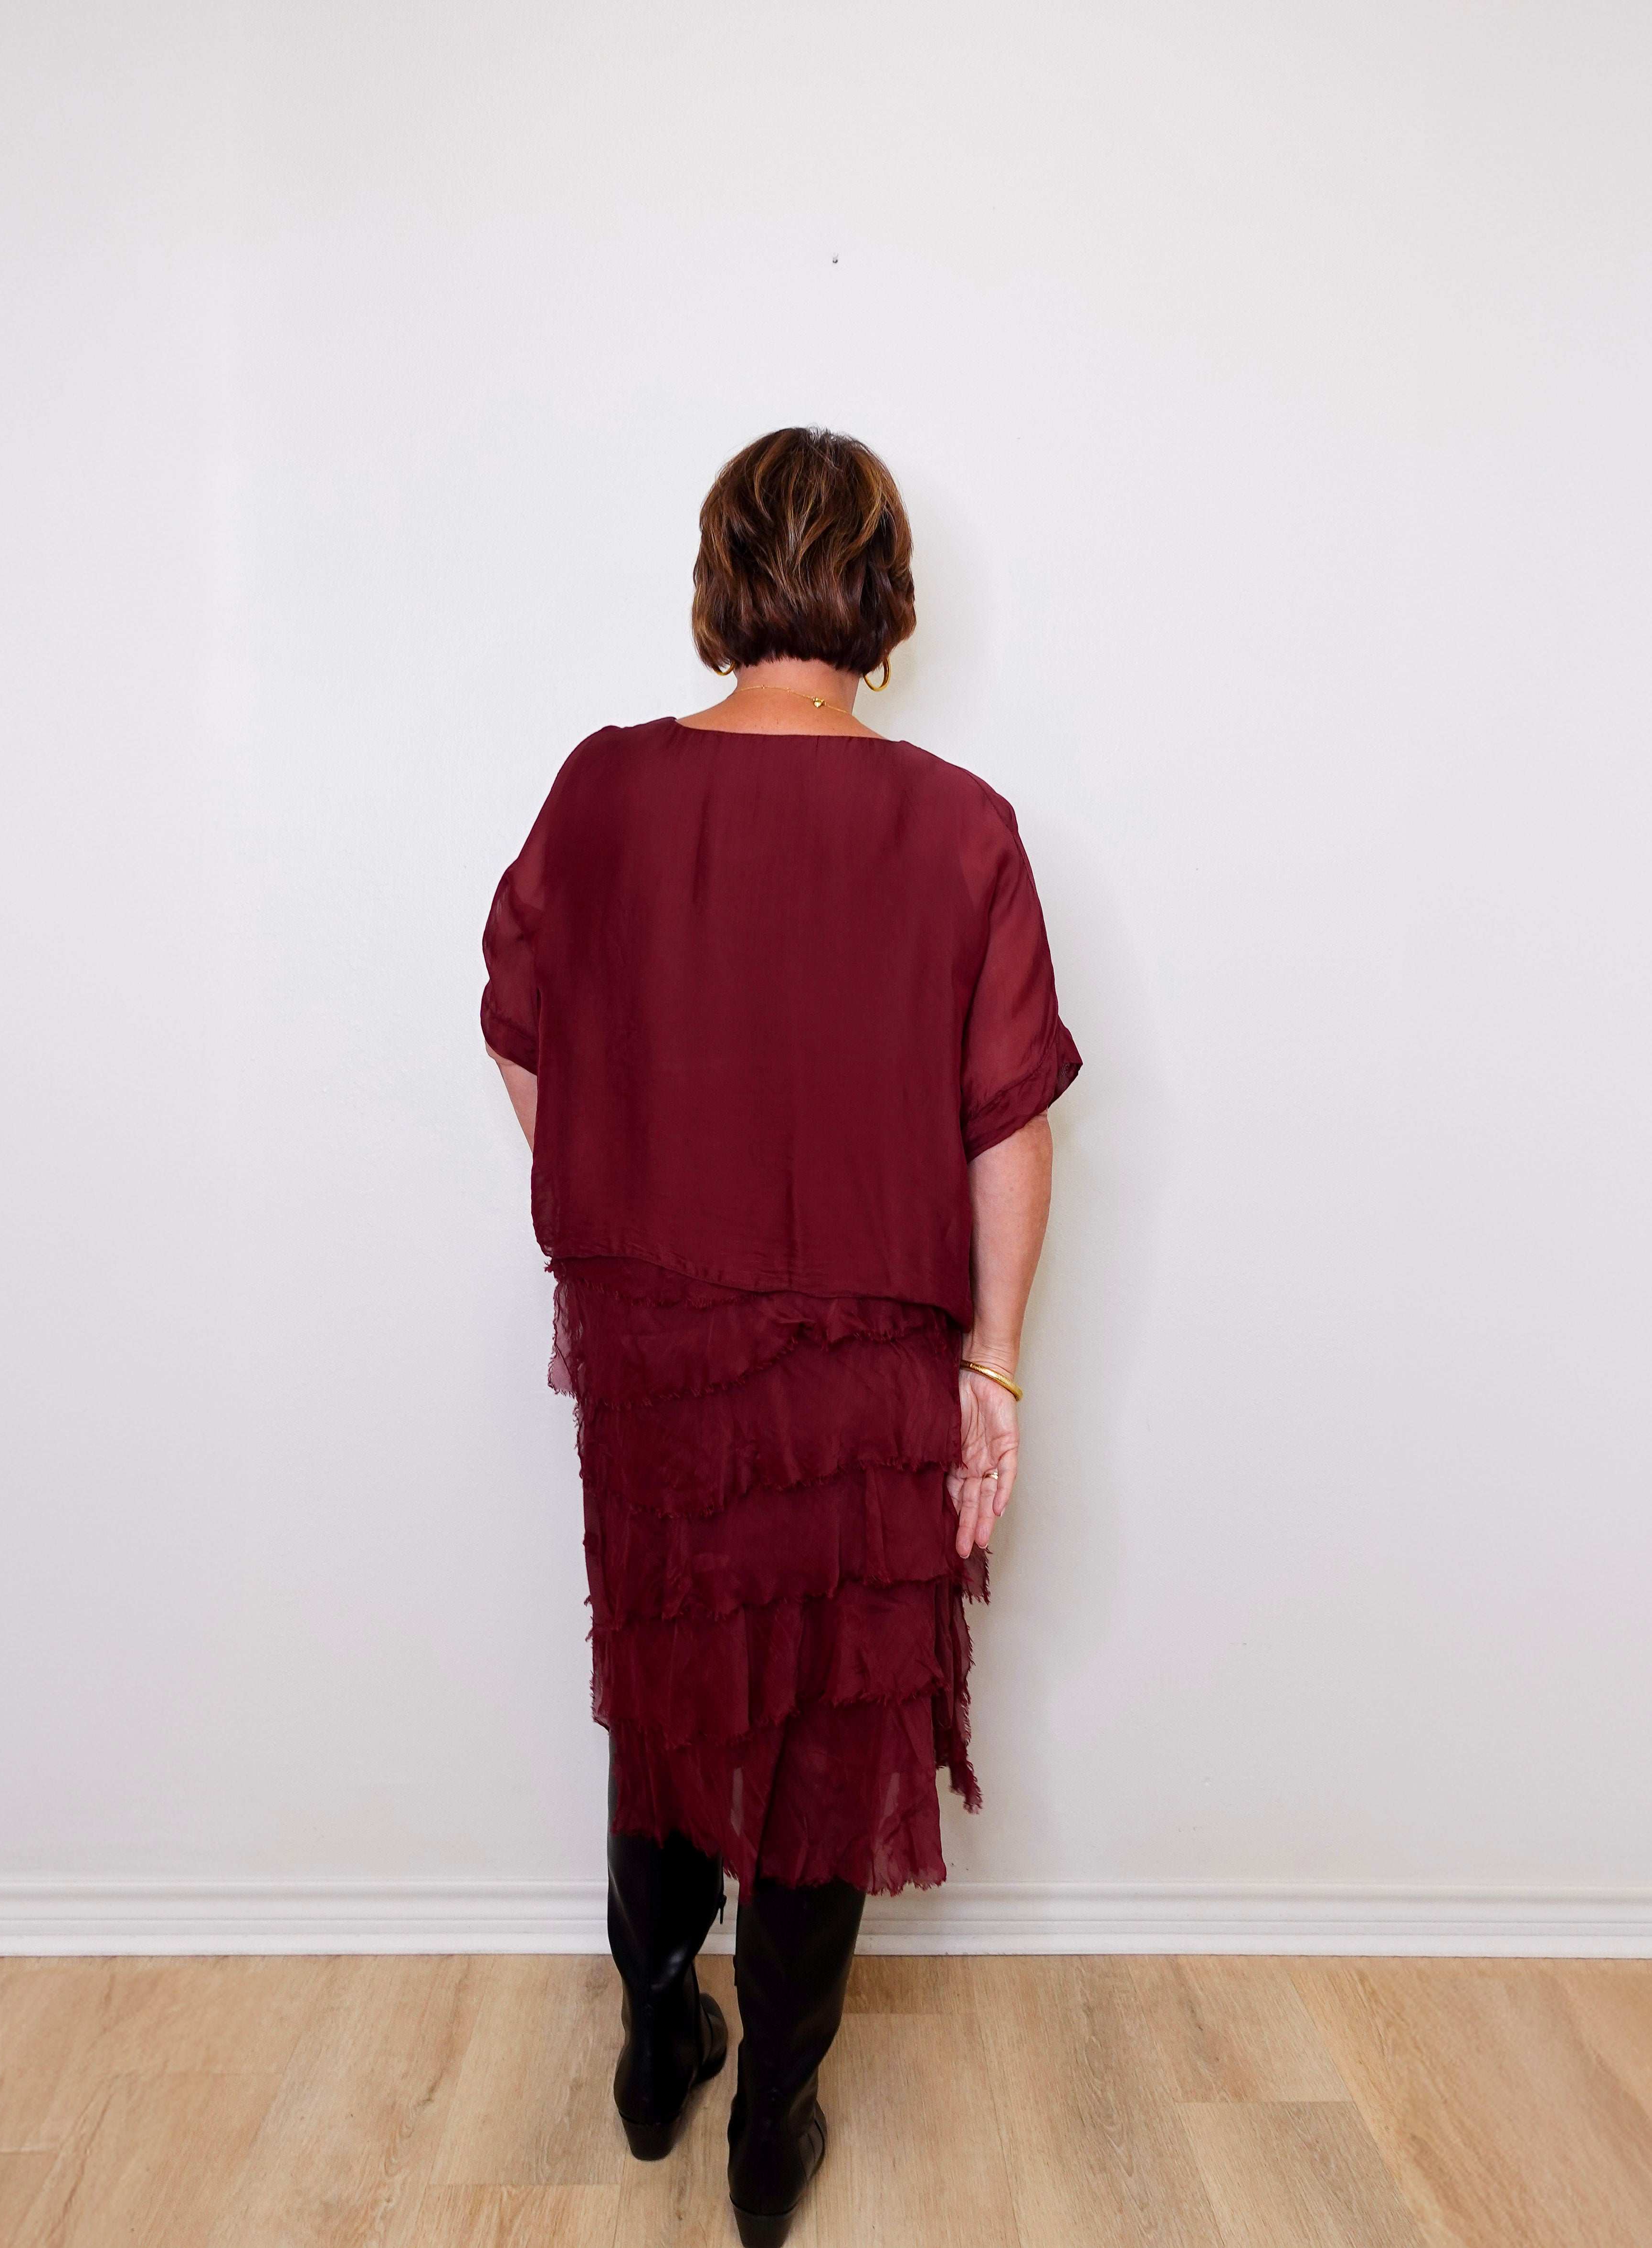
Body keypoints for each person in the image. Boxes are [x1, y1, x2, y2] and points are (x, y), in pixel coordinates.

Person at [480, 426, 1078, 2247]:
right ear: (884, 598)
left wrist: (622, 1200)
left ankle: (661, 2046)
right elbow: (1008, 1122)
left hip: (657, 1342)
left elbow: (519, 1031)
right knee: (827, 1728)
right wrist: (990, 1366)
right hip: (863, 1367)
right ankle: (774, 2131)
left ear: (721, 579)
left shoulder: (600, 793)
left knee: (670, 1693)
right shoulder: (959, 825)